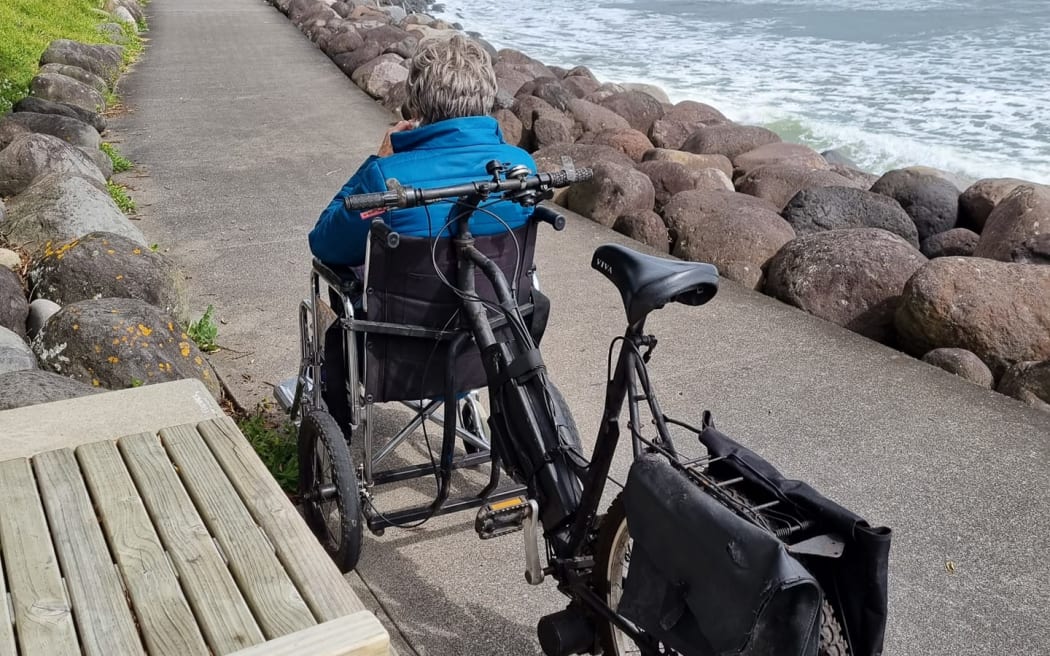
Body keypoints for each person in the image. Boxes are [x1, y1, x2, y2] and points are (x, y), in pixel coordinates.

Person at [309, 34, 537, 266]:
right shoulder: (522, 168)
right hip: (500, 297)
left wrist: (377, 160)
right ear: (488, 97)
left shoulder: (386, 177)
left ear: (416, 104)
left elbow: (325, 244)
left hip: (407, 299)